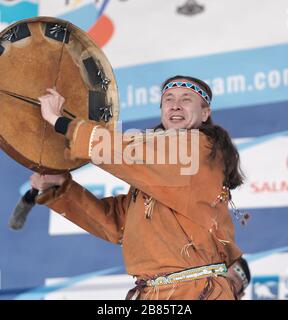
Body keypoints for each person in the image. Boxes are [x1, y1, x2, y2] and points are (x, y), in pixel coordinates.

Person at [30, 75, 245, 300]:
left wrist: (60, 122)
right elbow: (116, 224)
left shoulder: (200, 148)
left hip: (195, 292)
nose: (176, 105)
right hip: (155, 294)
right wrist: (62, 187)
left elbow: (127, 149)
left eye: (187, 99)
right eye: (168, 99)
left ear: (205, 113)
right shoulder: (156, 165)